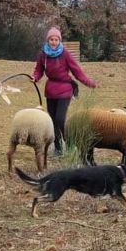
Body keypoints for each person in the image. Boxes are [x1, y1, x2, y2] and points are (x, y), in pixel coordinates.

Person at [31, 27, 96, 156]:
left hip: (65, 89)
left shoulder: (65, 53)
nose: (53, 42)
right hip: (50, 90)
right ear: (48, 40)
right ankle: (58, 148)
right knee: (52, 120)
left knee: (60, 119)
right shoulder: (43, 54)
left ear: (59, 40)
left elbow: (77, 71)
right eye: (51, 39)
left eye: (56, 39)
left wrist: (89, 83)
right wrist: (35, 77)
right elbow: (39, 69)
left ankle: (71, 143)